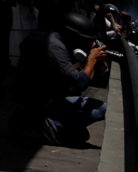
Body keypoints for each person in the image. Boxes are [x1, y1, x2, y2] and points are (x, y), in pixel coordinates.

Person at [10, 11, 108, 145]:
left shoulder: (47, 38)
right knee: (100, 112)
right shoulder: (56, 48)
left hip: (32, 98)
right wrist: (91, 59)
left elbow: (72, 77)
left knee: (81, 133)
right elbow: (80, 83)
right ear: (73, 36)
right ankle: (46, 124)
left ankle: (31, 119)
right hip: (42, 102)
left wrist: (93, 66)